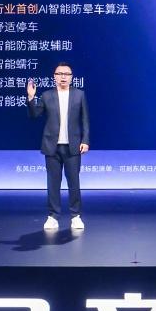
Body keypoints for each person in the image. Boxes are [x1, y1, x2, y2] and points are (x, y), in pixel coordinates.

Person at [26, 62, 89, 233]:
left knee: (74, 182)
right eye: (59, 74)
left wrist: (85, 140)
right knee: (53, 183)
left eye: (66, 74)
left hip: (73, 146)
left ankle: (76, 216)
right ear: (54, 77)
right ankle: (53, 216)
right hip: (51, 146)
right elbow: (34, 115)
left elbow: (85, 119)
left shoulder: (79, 94)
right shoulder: (47, 95)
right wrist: (31, 98)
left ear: (71, 77)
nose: (63, 77)